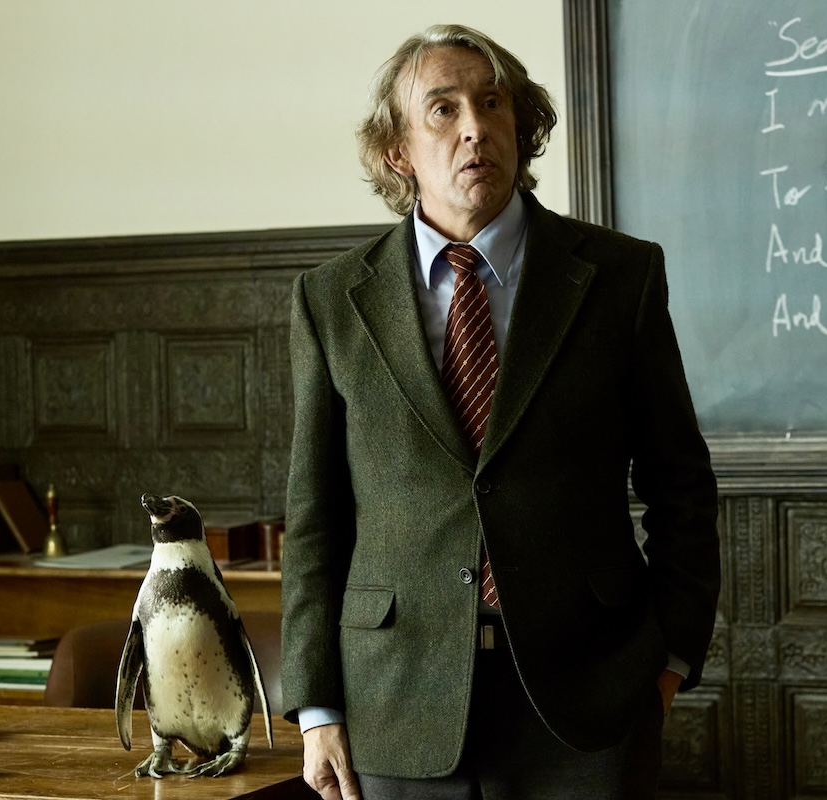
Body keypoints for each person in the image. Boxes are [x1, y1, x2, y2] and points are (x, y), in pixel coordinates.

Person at [281, 23, 720, 800]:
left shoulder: (620, 277)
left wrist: (670, 661)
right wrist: (316, 707)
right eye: (443, 110)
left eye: (492, 103)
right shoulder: (331, 301)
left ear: (522, 125)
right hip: (395, 704)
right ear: (397, 150)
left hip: (588, 704)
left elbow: (682, 488)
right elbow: (317, 516)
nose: (475, 127)